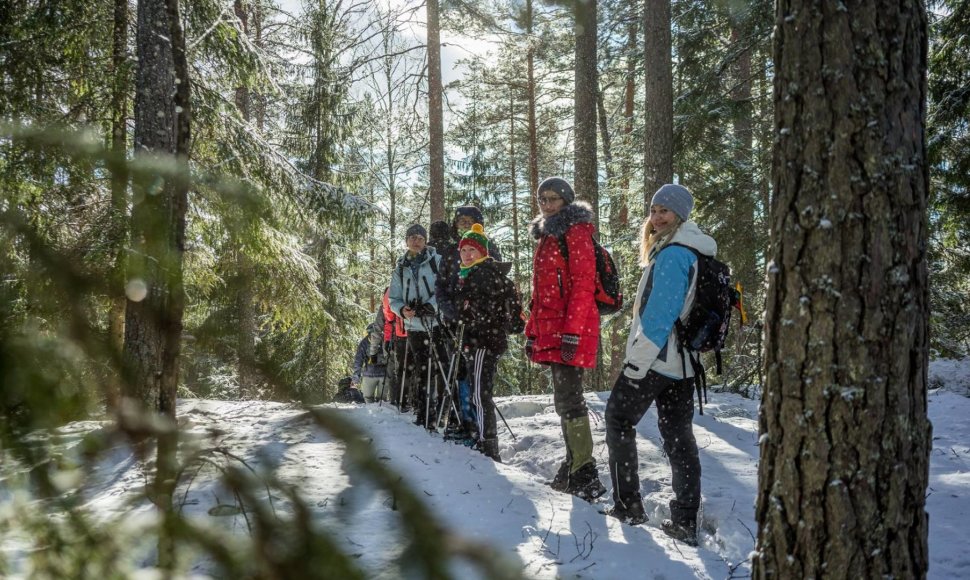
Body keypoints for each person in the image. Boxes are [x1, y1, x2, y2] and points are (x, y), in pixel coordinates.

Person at [603, 184, 710, 546]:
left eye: (665, 210)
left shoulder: (674, 255)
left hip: (657, 360)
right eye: (654, 209)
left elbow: (658, 318)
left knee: (618, 419)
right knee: (679, 438)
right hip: (683, 365)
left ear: (681, 215)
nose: (657, 217)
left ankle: (628, 506)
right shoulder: (694, 251)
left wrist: (636, 364)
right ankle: (685, 520)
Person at [524, 177, 606, 501]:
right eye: (542, 198)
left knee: (571, 399)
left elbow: (583, 285)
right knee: (564, 399)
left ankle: (585, 471)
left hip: (572, 329)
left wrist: (571, 332)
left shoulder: (576, 231)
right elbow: (541, 296)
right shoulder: (547, 235)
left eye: (553, 198)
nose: (546, 203)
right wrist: (533, 333)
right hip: (553, 329)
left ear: (567, 200)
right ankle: (573, 464)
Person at [454, 224, 523, 461]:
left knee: (479, 395)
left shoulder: (481, 274)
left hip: (482, 341)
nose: (467, 255)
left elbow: (483, 312)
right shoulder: (474, 274)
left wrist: (466, 314)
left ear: (483, 252)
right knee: (479, 393)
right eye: (464, 251)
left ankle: (488, 445)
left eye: (473, 250)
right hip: (482, 341)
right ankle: (486, 441)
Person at [435, 206, 503, 437]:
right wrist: (452, 312)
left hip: (480, 325)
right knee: (456, 372)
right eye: (460, 220)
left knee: (478, 377)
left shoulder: (488, 248)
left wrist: (475, 312)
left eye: (469, 220)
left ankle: (478, 424)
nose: (463, 224)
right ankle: (459, 419)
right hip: (454, 322)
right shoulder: (450, 251)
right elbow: (441, 287)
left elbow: (494, 285)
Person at [388, 224, 444, 428]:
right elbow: (393, 298)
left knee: (441, 367)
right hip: (413, 326)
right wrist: (402, 310)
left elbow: (444, 290)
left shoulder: (437, 262)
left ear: (426, 240)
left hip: (437, 323)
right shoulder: (400, 268)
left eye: (420, 237)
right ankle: (423, 411)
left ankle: (441, 411)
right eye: (412, 237)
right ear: (406, 241)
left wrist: (432, 306)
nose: (416, 240)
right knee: (422, 369)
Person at [352, 323, 387, 403]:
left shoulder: (364, 342)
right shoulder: (386, 340)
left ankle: (370, 414)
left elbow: (358, 360)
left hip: (370, 374)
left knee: (368, 399)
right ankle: (381, 414)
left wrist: (356, 378)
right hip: (383, 375)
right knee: (382, 401)